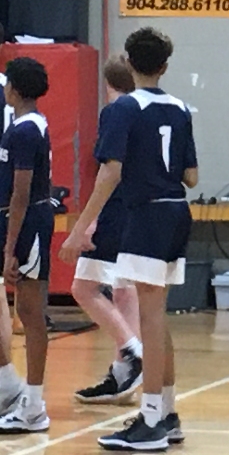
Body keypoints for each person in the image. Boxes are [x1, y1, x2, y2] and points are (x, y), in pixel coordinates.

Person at [61, 27, 198, 449]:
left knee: (151, 320)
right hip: (177, 211)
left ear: (129, 62)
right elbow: (192, 177)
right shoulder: (180, 108)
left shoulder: (123, 108)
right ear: (165, 66)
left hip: (147, 214)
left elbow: (111, 172)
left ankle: (151, 419)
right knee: (157, 316)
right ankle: (167, 413)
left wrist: (81, 227)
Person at [69, 56, 143, 403]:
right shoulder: (149, 110)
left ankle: (133, 352)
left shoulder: (115, 111)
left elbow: (109, 173)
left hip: (115, 209)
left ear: (107, 82)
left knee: (83, 287)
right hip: (140, 209)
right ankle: (122, 373)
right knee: (125, 290)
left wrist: (88, 220)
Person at [0, 58, 52, 433]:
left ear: (14, 90)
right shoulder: (27, 125)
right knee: (26, 310)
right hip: (22, 220)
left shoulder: (26, 130)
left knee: (31, 313)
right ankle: (23, 398)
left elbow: (20, 193)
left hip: (28, 222)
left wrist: (9, 247)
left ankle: (33, 405)